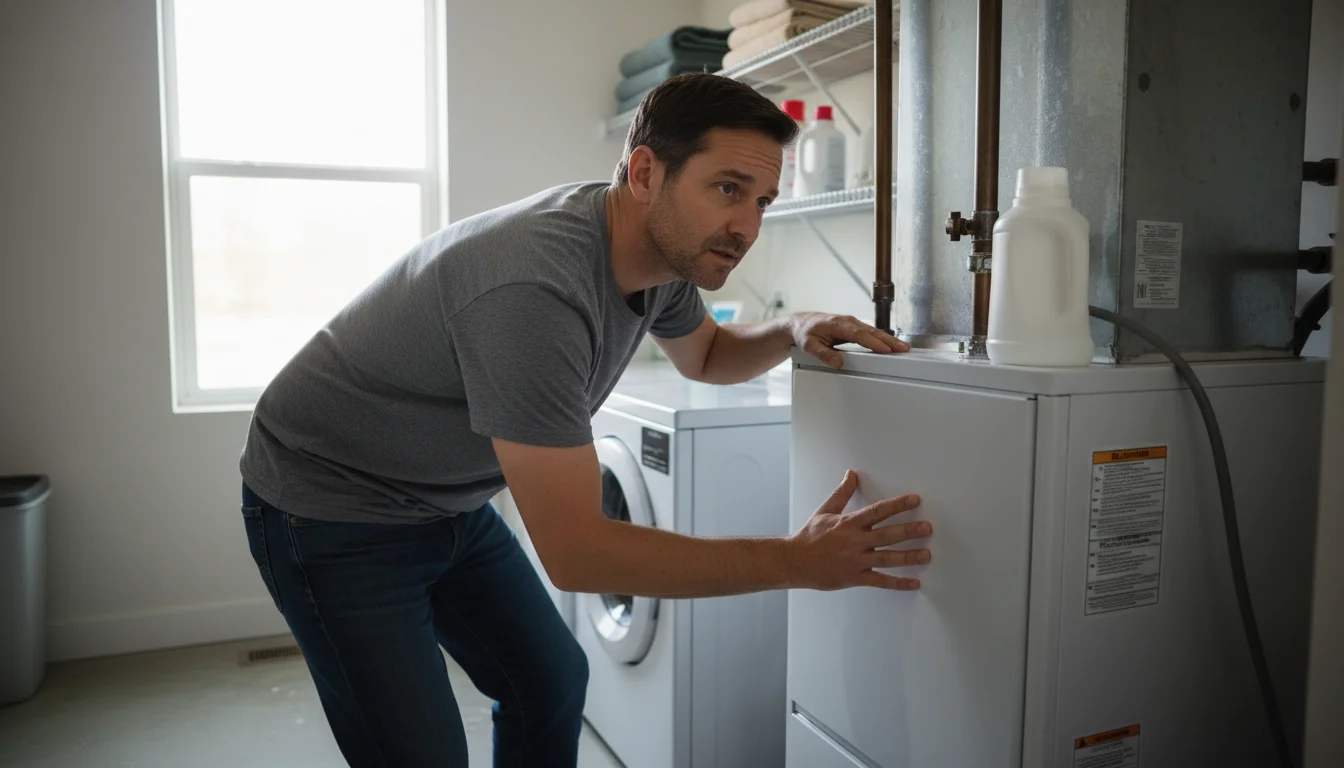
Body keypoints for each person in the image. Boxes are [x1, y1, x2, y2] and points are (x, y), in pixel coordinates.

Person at [238, 73, 932, 767]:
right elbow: (578, 555)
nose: (746, 227)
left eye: (762, 201)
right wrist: (796, 560)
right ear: (645, 172)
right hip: (331, 509)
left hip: (444, 502)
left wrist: (794, 325)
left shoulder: (658, 259)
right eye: (727, 189)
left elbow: (709, 354)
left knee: (549, 681)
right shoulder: (534, 290)